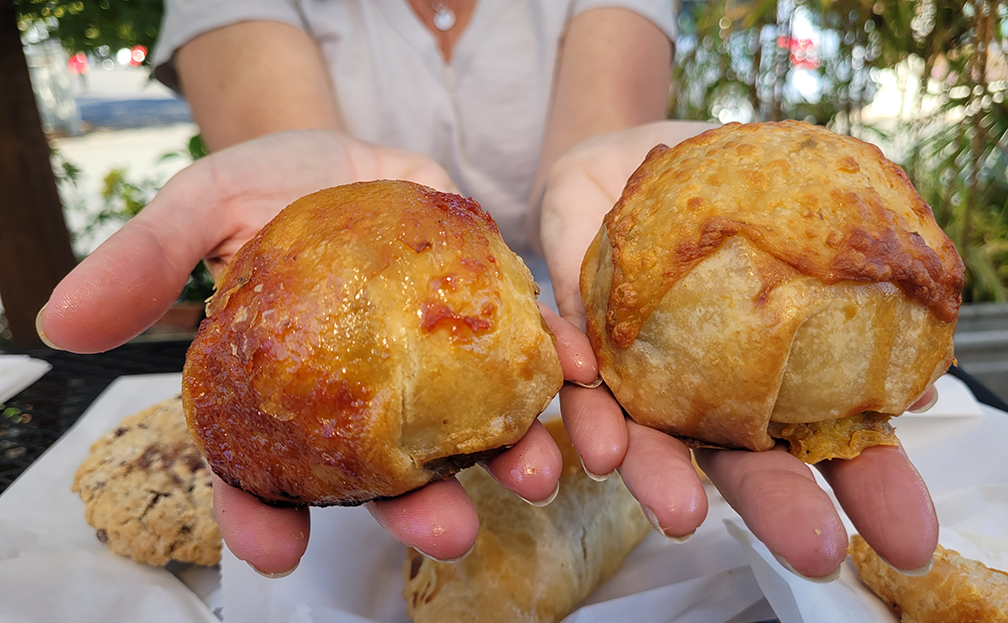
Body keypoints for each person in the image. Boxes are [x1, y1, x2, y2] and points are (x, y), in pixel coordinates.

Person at [38, 0, 940, 584]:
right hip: (443, 338)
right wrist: (306, 324)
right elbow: (312, 240)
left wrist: (617, 225)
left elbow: (602, 160)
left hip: (548, 320)